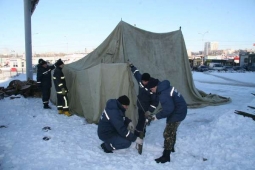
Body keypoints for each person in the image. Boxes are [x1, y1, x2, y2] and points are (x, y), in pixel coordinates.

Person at [147, 79, 187, 163]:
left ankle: (166, 156)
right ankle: (171, 147)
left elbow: (168, 109)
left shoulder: (163, 93)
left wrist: (156, 117)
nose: (151, 91)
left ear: (155, 86)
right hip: (179, 110)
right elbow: (168, 106)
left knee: (168, 133)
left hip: (178, 112)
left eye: (151, 89)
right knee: (172, 130)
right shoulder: (164, 88)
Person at [128, 62, 159, 136]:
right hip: (140, 104)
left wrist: (149, 111)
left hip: (146, 108)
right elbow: (136, 73)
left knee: (141, 121)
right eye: (143, 81)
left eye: (145, 81)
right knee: (141, 119)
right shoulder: (140, 80)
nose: (143, 82)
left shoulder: (152, 87)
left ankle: (138, 134)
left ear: (149, 80)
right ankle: (142, 130)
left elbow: (155, 102)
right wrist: (132, 66)